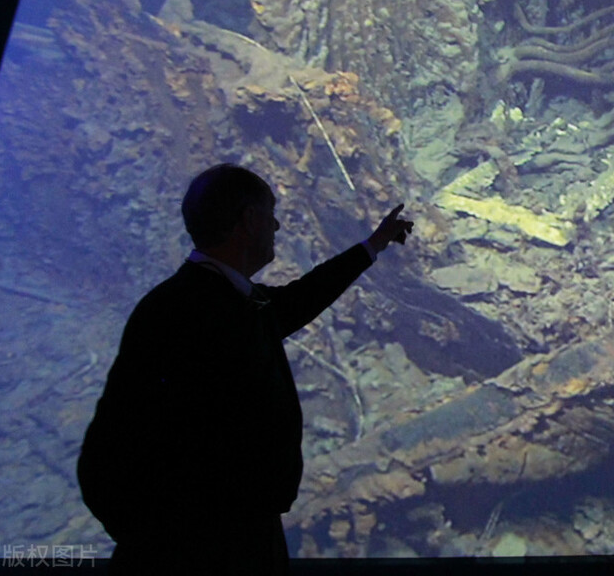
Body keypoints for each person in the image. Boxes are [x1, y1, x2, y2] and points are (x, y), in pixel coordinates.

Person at [76, 163, 414, 575]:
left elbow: (297, 300)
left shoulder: (221, 300)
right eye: (269, 214)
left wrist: (372, 246)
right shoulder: (184, 311)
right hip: (208, 552)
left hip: (237, 537)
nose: (277, 226)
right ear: (248, 221)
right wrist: (161, 541)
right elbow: (110, 450)